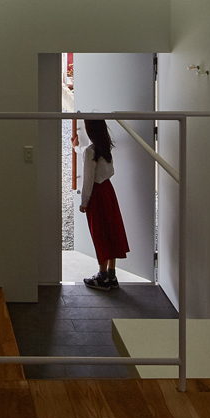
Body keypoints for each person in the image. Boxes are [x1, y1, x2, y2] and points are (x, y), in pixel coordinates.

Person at [79, 117, 129, 292]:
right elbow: (105, 169)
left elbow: (88, 180)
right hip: (108, 190)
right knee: (111, 230)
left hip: (97, 194)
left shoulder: (90, 151)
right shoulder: (106, 148)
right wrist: (76, 148)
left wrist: (84, 202)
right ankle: (112, 275)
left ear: (90, 130)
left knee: (100, 233)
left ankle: (102, 277)